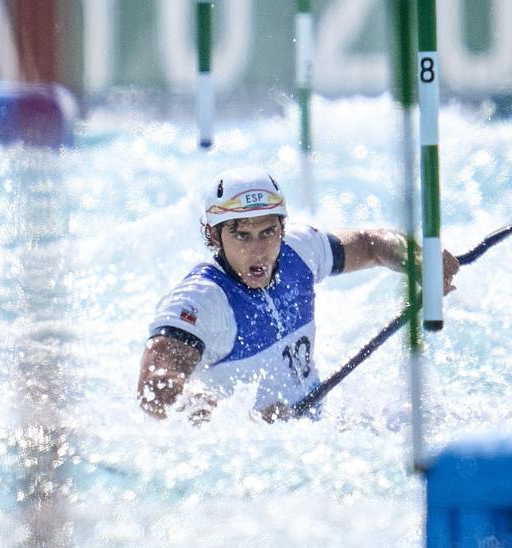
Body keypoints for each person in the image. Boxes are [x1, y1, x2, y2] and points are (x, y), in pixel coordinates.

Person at [137, 166, 459, 423]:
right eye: (241, 236)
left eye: (268, 233)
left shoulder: (300, 250)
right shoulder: (200, 301)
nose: (258, 251)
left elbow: (370, 244)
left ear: (282, 227)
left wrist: (418, 260)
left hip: (315, 425)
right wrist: (233, 419)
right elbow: (153, 387)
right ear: (214, 236)